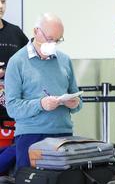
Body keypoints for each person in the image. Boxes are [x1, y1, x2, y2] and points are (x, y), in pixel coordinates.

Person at [4, 13, 82, 171]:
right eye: (50, 38)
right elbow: (12, 107)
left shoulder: (64, 60)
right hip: (31, 136)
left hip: (63, 134)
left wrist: (74, 103)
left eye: (58, 40)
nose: (53, 43)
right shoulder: (17, 62)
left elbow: (77, 101)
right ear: (36, 31)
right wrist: (41, 104)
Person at [0, 0, 28, 175]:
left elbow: (31, 64)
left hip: (13, 115)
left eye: (3, 1)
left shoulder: (15, 33)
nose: (0, 6)